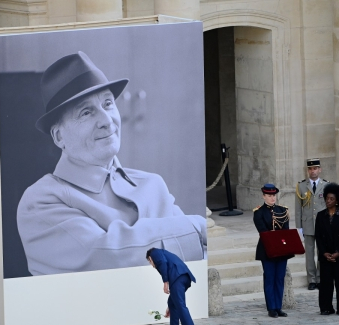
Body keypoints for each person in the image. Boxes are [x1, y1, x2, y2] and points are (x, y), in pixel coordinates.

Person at [17, 51, 207, 276]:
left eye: (108, 103)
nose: (107, 121)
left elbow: (198, 261)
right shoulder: (40, 201)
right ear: (59, 137)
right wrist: (198, 227)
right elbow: (107, 258)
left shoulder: (153, 185)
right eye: (86, 112)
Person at [253, 184, 294, 318]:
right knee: (270, 278)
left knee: (280, 278)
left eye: (274, 195)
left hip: (281, 249)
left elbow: (286, 229)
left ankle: (278, 306)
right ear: (263, 196)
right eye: (269, 196)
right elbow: (263, 232)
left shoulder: (282, 210)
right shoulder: (259, 212)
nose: (272, 198)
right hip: (268, 249)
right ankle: (271, 307)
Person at [146, 248, 199, 325]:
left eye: (150, 262)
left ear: (149, 258)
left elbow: (163, 262)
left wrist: (165, 282)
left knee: (180, 306)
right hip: (183, 277)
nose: (151, 265)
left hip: (178, 277)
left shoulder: (154, 253)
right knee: (172, 304)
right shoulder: (163, 253)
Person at [315, 183, 339, 316]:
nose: (328, 201)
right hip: (325, 255)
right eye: (327, 198)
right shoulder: (320, 216)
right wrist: (324, 252)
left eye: (331, 199)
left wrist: (337, 252)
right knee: (325, 283)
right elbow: (318, 236)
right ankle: (325, 307)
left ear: (337, 201)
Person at [295, 158, 329, 290]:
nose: (313, 171)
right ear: (307, 170)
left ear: (319, 169)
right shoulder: (301, 186)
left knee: (322, 252)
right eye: (310, 169)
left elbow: (328, 206)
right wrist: (299, 227)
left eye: (315, 168)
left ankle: (320, 278)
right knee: (309, 253)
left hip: (322, 225)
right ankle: (312, 279)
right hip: (308, 224)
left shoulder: (326, 185)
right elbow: (298, 208)